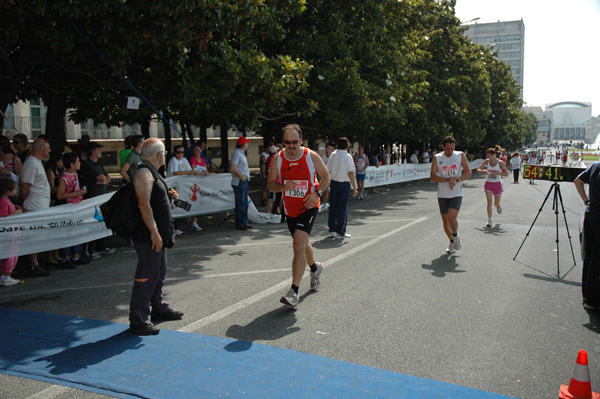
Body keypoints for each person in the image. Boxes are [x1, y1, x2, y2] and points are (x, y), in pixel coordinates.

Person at [267, 124, 331, 307]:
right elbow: (271, 184)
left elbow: (326, 177)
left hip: (309, 205)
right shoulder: (278, 160)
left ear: (301, 140)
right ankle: (315, 267)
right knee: (302, 244)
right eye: (287, 142)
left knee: (297, 244)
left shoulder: (310, 156)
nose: (291, 146)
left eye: (295, 142)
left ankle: (294, 292)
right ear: (282, 143)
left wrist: (316, 194)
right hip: (290, 209)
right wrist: (281, 187)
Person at [129, 138, 183, 335]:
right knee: (146, 276)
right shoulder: (144, 172)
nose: (165, 156)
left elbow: (151, 199)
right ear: (159, 154)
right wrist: (154, 232)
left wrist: (167, 195)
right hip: (148, 236)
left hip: (157, 235)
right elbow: (144, 205)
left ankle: (158, 307)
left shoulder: (151, 172)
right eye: (165, 153)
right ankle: (139, 319)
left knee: (158, 273)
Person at [430, 136, 472, 254]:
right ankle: (452, 241)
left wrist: (456, 180)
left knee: (451, 216)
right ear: (443, 147)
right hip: (443, 193)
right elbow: (433, 177)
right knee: (445, 221)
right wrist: (447, 180)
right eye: (447, 149)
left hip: (456, 192)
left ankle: (455, 235)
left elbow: (468, 172)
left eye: (452, 148)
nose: (450, 151)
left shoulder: (460, 155)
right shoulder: (437, 158)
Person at [20, 138, 52, 276]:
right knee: (34, 235)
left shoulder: (37, 163)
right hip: (34, 206)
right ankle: (33, 265)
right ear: (41, 149)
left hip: (40, 205)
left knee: (38, 236)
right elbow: (25, 187)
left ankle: (36, 262)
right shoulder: (32, 163)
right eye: (48, 148)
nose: (49, 150)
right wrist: (23, 202)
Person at [80, 142, 115, 258]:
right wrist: (103, 179)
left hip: (101, 197)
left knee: (102, 221)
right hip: (92, 198)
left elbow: (107, 178)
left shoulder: (98, 164)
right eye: (98, 149)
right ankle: (90, 249)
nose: (100, 151)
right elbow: (102, 177)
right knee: (91, 222)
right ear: (93, 151)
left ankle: (101, 245)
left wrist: (104, 180)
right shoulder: (87, 165)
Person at [56, 152, 90, 268]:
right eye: (77, 161)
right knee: (68, 232)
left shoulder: (75, 174)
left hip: (77, 206)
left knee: (77, 230)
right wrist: (76, 194)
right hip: (68, 207)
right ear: (71, 164)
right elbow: (60, 195)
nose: (80, 163)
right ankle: (65, 257)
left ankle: (76, 255)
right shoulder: (64, 178)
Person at [575, 162, 600, 311]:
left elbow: (578, 181)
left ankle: (587, 295)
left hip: (590, 214)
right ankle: (593, 297)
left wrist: (586, 200)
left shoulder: (596, 165)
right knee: (596, 259)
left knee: (589, 256)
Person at [327, 137, 357, 239]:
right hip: (344, 183)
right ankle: (340, 231)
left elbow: (329, 171)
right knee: (342, 208)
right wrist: (355, 187)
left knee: (333, 207)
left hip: (334, 183)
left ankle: (332, 229)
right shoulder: (347, 157)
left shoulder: (333, 155)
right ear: (347, 146)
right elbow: (351, 173)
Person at [476, 146, 508, 228]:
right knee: (489, 202)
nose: (488, 158)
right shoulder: (487, 162)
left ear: (494, 155)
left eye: (489, 156)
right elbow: (478, 169)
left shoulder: (500, 163)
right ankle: (490, 220)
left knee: (495, 203)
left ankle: (498, 206)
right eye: (487, 156)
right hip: (488, 184)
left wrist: (497, 173)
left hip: (497, 184)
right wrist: (482, 171)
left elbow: (506, 174)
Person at [0, 179, 23, 286]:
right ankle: (6, 275)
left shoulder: (6, 201)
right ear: (8, 191)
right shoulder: (4, 202)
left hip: (12, 231)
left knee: (11, 253)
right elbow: (3, 218)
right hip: (9, 232)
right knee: (10, 253)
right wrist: (16, 212)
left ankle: (5, 275)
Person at [230, 137, 251, 231]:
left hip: (243, 181)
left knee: (244, 203)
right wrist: (241, 176)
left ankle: (244, 222)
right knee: (241, 203)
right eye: (246, 143)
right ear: (243, 144)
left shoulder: (240, 153)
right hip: (239, 181)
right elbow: (233, 167)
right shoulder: (237, 153)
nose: (247, 144)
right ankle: (240, 223)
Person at [320, 144, 334, 211]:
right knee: (325, 190)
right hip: (325, 176)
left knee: (332, 191)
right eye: (327, 148)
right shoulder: (323, 157)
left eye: (329, 148)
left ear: (331, 150)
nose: (327, 149)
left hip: (332, 176)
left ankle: (332, 204)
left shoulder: (333, 157)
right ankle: (325, 204)